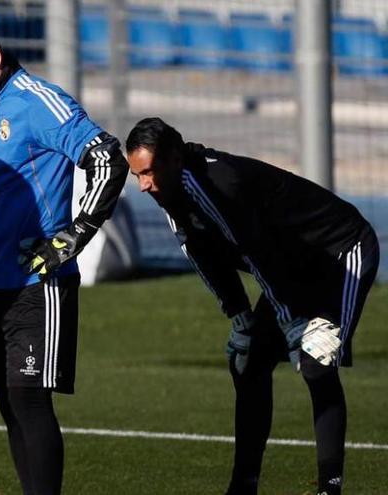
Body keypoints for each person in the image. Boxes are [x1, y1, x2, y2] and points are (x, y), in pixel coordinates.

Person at [125, 117, 379, 495]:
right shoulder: (170, 190)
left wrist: (293, 323)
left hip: (341, 250)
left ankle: (330, 487)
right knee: (249, 364)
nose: (143, 185)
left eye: (149, 172)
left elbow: (255, 251)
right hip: (293, 263)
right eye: (137, 175)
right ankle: (243, 486)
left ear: (175, 159)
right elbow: (203, 256)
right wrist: (240, 317)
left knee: (315, 362)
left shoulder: (218, 184)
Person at [0, 17, 128, 494]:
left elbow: (107, 157)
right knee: (7, 402)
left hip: (39, 282)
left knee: (29, 401)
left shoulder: (40, 102)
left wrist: (76, 233)